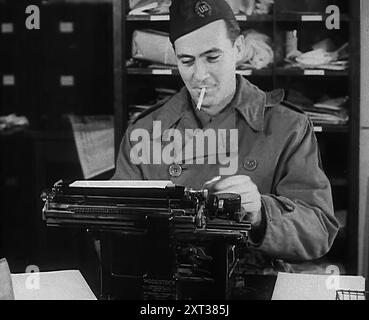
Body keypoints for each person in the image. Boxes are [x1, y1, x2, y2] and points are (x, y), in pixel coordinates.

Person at [112, 0, 339, 273]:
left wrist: (260, 214)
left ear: (239, 49)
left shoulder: (287, 127)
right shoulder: (145, 131)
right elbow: (114, 230)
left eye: (212, 57)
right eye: (187, 61)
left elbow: (319, 230)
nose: (200, 75)